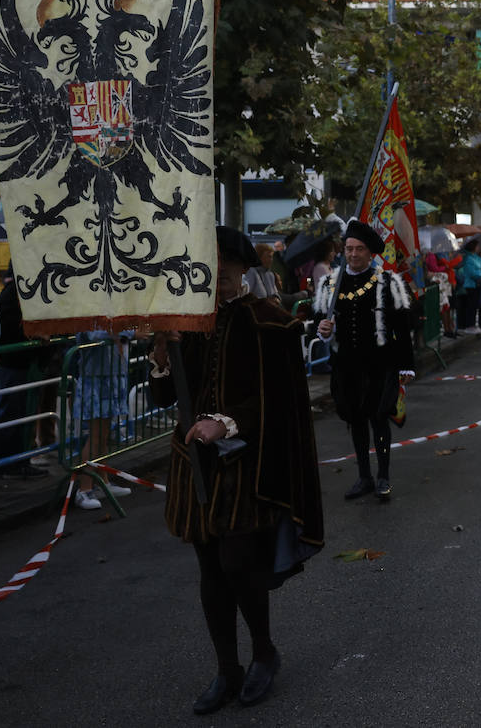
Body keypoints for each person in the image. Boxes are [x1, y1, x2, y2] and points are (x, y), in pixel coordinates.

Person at [152, 226, 324, 714]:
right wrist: (162, 356)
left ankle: (264, 653)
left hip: (248, 462)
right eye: (211, 267)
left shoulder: (270, 322)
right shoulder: (186, 321)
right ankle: (226, 668)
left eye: (226, 268)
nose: (219, 277)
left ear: (245, 269)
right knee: (209, 567)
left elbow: (278, 399)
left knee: (236, 563)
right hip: (193, 464)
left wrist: (223, 422)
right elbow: (165, 398)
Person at [314, 220, 414, 501]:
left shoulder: (388, 282)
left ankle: (383, 476)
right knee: (356, 421)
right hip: (346, 366)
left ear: (371, 253)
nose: (353, 254)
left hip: (380, 365)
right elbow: (317, 324)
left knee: (379, 418)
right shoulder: (329, 284)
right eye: (349, 248)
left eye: (359, 249)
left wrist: (407, 365)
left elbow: (402, 329)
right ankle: (364, 477)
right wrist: (322, 330)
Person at [0, 277, 47, 479]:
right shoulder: (13, 292)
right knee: (11, 412)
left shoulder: (28, 289)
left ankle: (18, 461)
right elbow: (5, 326)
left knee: (21, 413)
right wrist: (32, 333)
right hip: (12, 363)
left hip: (24, 362)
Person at [71, 329, 137, 510]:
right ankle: (84, 489)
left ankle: (102, 482)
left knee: (103, 434)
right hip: (95, 379)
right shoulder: (91, 307)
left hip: (111, 375)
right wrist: (130, 333)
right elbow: (94, 334)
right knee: (95, 435)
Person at [456, 239, 481, 334]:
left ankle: (470, 324)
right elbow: (471, 272)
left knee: (473, 306)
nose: (478, 247)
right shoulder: (468, 258)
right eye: (476, 246)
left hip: (477, 284)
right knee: (470, 306)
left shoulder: (475, 257)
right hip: (471, 284)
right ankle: (469, 325)